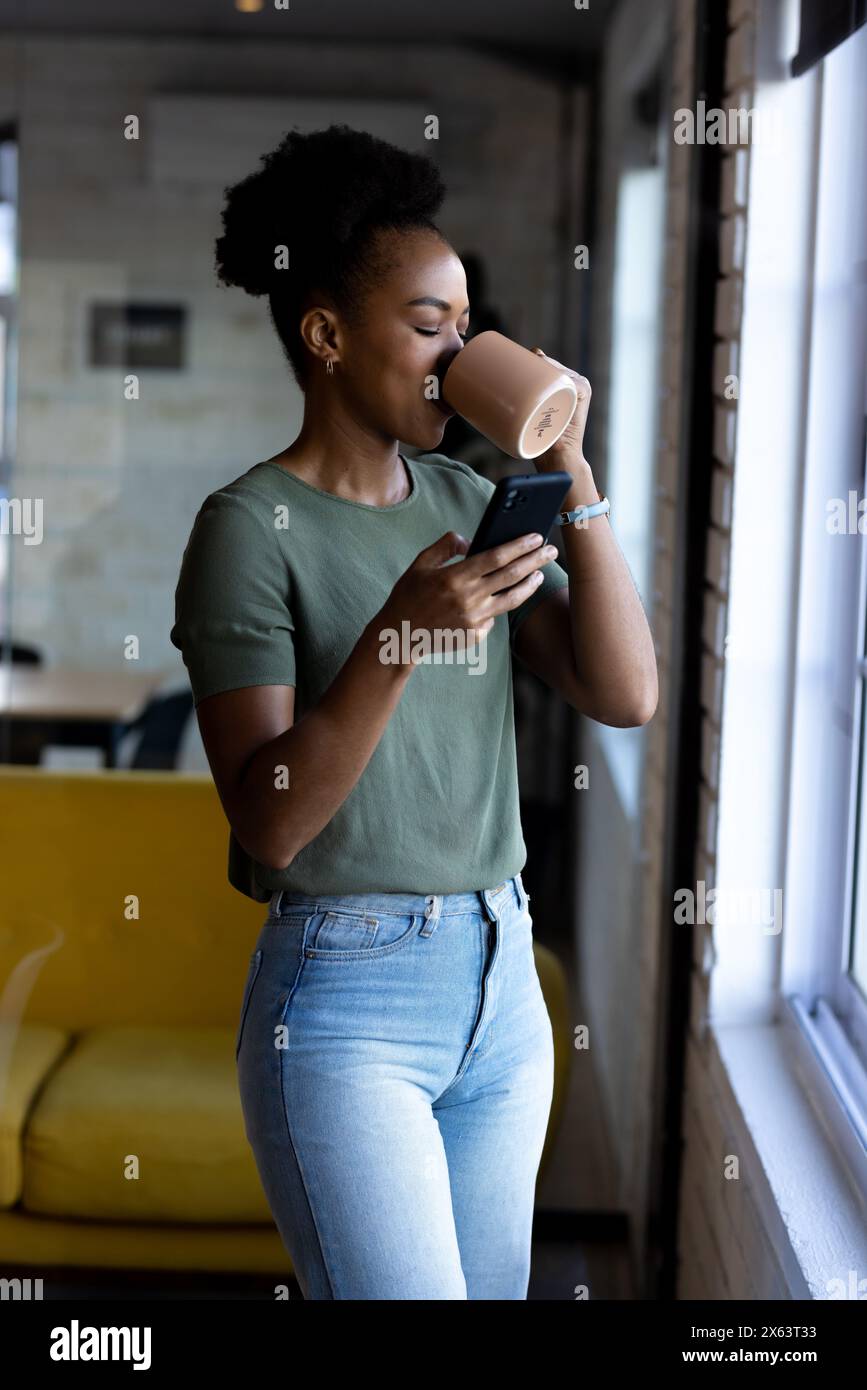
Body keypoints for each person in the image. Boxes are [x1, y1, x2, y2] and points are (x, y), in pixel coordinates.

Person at [169, 124, 657, 1301]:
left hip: (501, 977)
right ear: (326, 336)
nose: (457, 355)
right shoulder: (244, 529)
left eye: (468, 328)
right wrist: (398, 634)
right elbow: (271, 821)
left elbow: (626, 691)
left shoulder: (465, 495)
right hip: (345, 1002)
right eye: (430, 327)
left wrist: (577, 483)